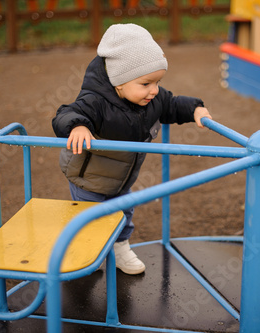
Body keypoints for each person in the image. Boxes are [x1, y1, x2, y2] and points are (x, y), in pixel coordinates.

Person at [52, 23, 212, 275]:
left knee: (124, 212)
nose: (154, 90)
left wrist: (195, 108)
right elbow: (67, 113)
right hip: (88, 178)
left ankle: (120, 249)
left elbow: (171, 104)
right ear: (119, 81)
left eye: (158, 82)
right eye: (146, 83)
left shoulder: (152, 97)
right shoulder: (96, 102)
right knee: (90, 220)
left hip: (123, 175)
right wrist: (78, 126)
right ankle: (86, 254)